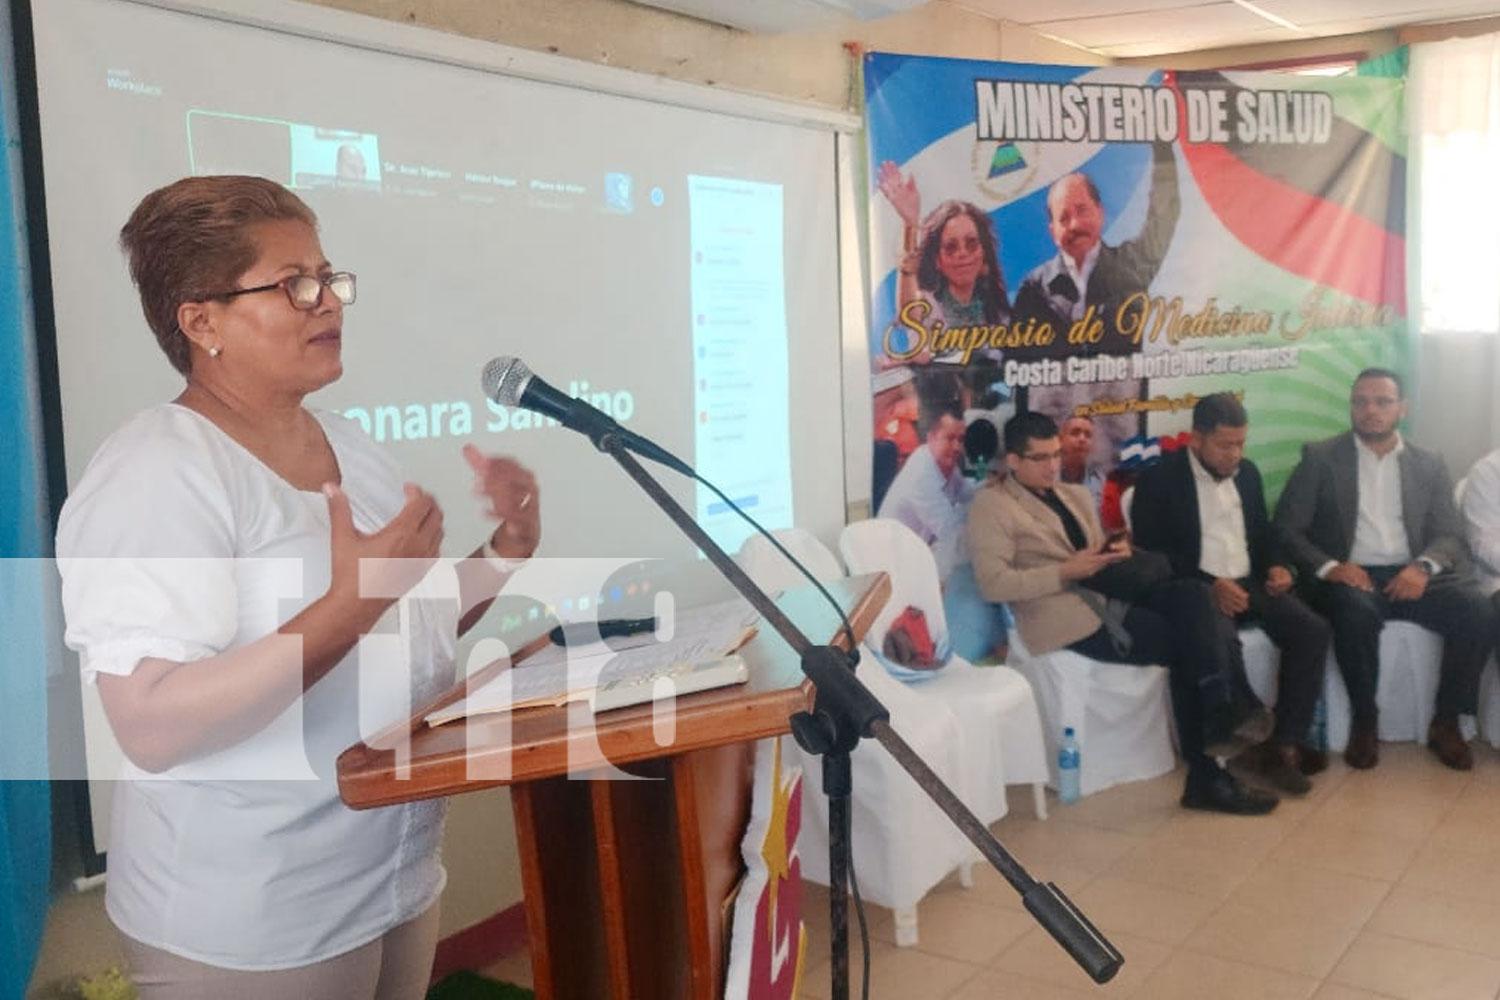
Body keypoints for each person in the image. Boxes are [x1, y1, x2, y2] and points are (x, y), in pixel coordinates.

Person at [55, 175, 541, 999]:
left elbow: (406, 625)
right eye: (294, 285)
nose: (328, 302)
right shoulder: (157, 473)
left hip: (389, 871)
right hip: (250, 915)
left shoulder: (351, 444)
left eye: (329, 277)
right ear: (201, 321)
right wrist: (342, 613)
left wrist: (506, 550)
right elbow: (150, 723)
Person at [968, 411, 1278, 815]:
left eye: (1056, 455)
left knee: (1197, 596)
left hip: (1112, 594)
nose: (1053, 466)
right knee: (1191, 640)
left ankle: (1223, 718)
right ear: (1013, 461)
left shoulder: (1073, 495)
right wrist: (1066, 571)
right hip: (1064, 616)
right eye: (1041, 458)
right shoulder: (991, 506)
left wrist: (1115, 553)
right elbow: (994, 584)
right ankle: (1212, 758)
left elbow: (1101, 557)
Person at [1274, 368, 1492, 771]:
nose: (1370, 410)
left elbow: (1450, 533)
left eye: (1382, 402)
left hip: (1412, 573)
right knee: (1355, 615)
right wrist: (1330, 567)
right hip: (1352, 576)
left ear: (1401, 409)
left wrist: (1423, 567)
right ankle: (1365, 719)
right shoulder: (1321, 458)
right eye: (1360, 401)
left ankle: (1446, 722)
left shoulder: (1428, 463)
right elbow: (1287, 529)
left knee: (1478, 612)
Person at [1130, 393, 1331, 794]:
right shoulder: (1158, 481)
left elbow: (1262, 533)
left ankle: (1283, 745)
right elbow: (1155, 555)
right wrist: (1210, 583)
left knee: (1311, 629)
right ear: (1195, 440)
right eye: (1224, 445)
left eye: (1241, 444)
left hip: (1248, 582)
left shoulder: (1249, 474)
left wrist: (1276, 566)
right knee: (1217, 630)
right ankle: (1244, 724)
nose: (1234, 454)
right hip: (1196, 588)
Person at [1011, 142, 1179, 352]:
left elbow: (1164, 214)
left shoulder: (1132, 265)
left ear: (1100, 213)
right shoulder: (1034, 289)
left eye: (1082, 210)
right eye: (1064, 218)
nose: (1075, 224)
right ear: (1053, 232)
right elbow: (1018, 364)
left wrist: (1161, 144)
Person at [876, 162, 1010, 363]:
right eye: (951, 247)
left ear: (984, 254)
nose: (962, 253)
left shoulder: (998, 312)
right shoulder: (927, 305)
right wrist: (910, 225)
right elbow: (910, 314)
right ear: (937, 261)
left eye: (972, 244)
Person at [1057, 413, 1106, 512]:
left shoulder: (1101, 483)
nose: (1082, 439)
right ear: (1060, 440)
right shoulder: (1045, 478)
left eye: (1088, 435)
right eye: (1075, 433)